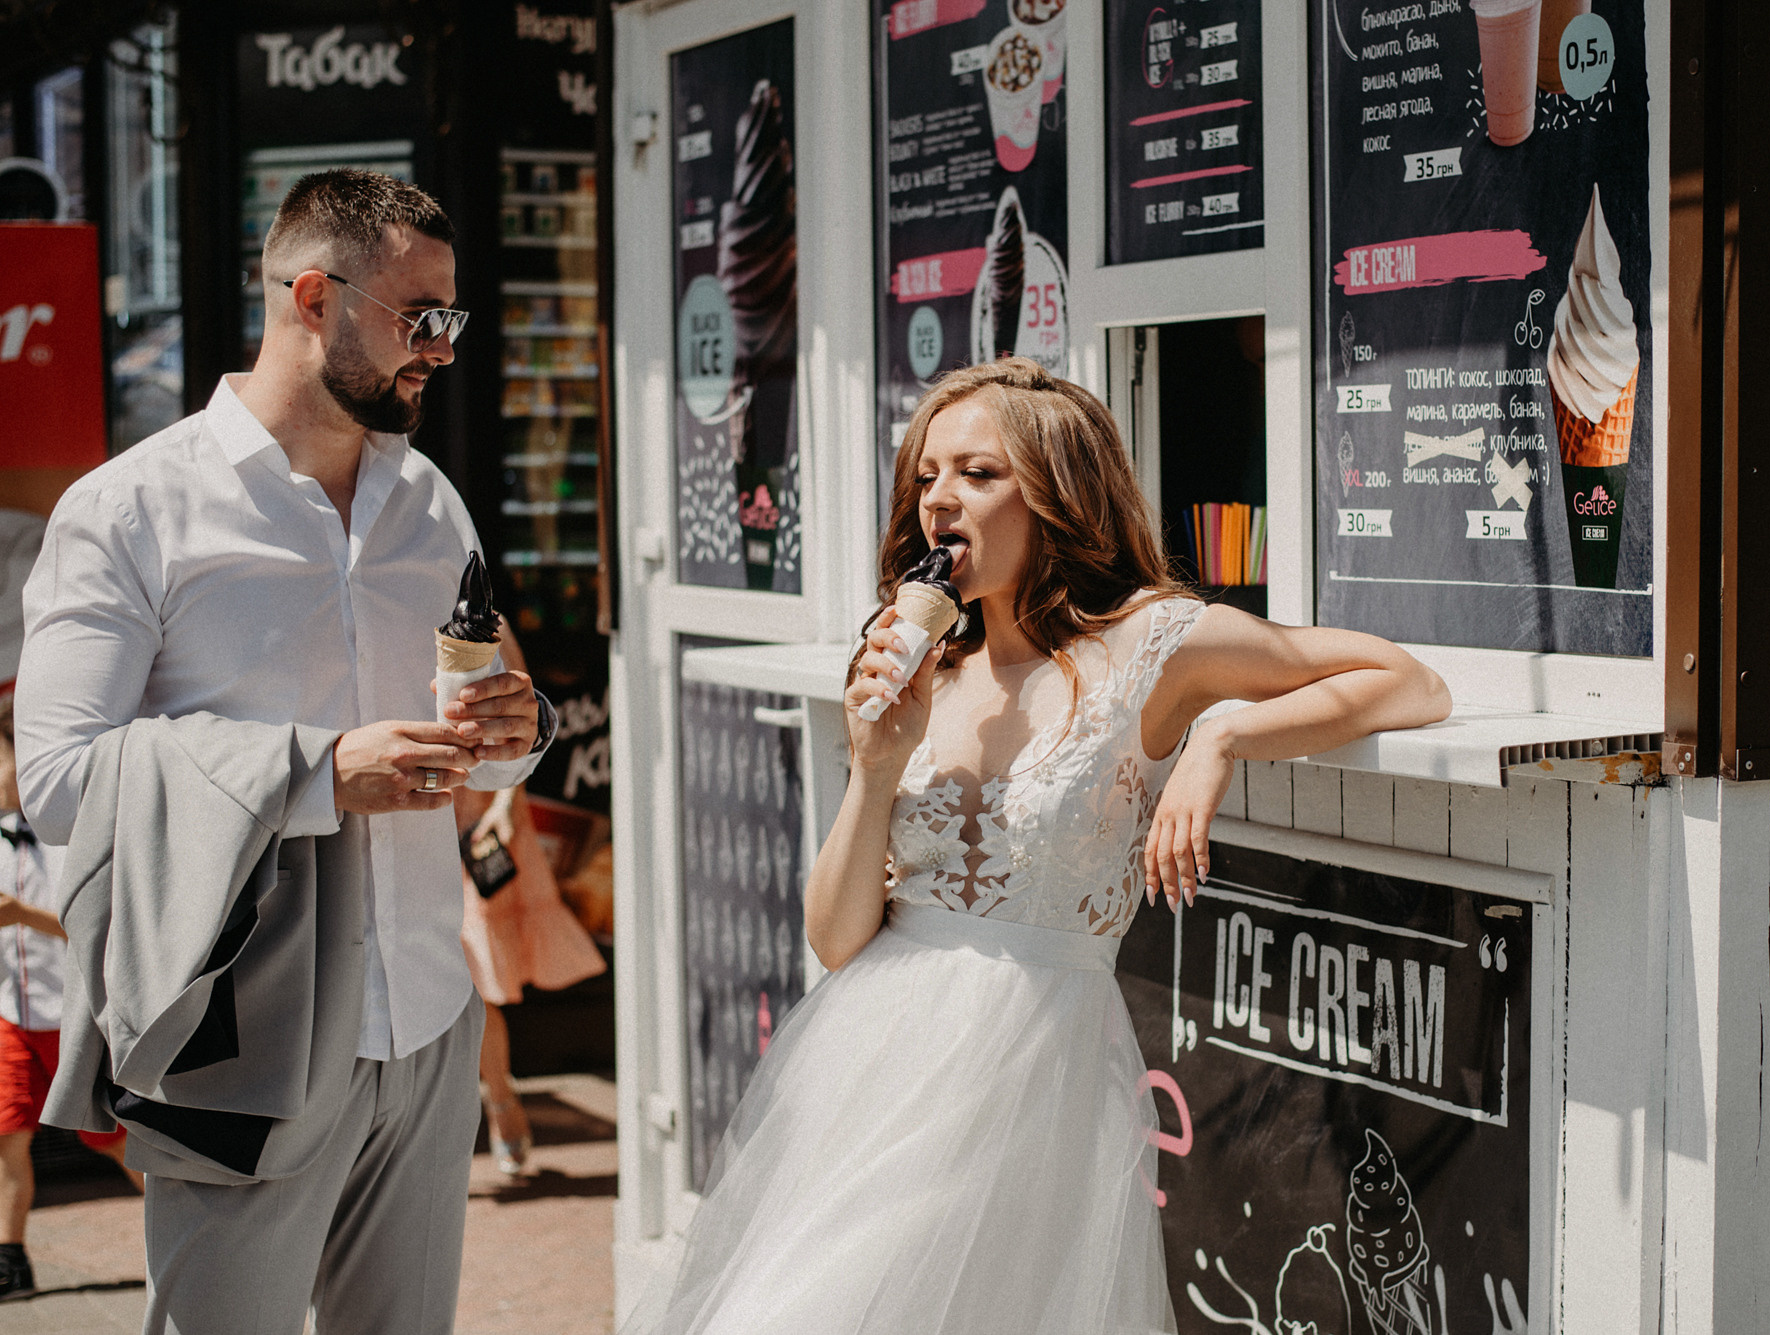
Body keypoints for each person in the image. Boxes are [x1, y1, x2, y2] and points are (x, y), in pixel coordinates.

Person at [619, 357, 1451, 1333]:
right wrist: (876, 762)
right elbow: (838, 938)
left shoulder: (1153, 644)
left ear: (1056, 492)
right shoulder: (929, 659)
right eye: (926, 475)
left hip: (1029, 1066)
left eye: (977, 474)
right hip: (869, 1058)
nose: (939, 500)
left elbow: (1405, 680)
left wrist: (1222, 737)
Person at [15, 168, 553, 1333]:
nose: (442, 350)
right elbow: (57, 781)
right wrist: (318, 772)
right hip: (237, 1031)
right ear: (313, 295)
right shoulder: (129, 512)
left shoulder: (433, 505)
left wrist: (518, 731)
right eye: (421, 319)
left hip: (425, 1017)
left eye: (450, 319)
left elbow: (486, 730)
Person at [0, 689, 141, 1301]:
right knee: (8, 1135)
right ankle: (11, 1259)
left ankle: (187, 1225)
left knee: (110, 1138)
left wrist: (21, 915)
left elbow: (90, 922)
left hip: (76, 1015)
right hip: (11, 1015)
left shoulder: (63, 833)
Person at [456, 629, 605, 1176]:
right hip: (399, 820)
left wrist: (505, 802)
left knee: (473, 984)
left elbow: (523, 721)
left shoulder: (479, 617)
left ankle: (499, 1099)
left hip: (471, 821)